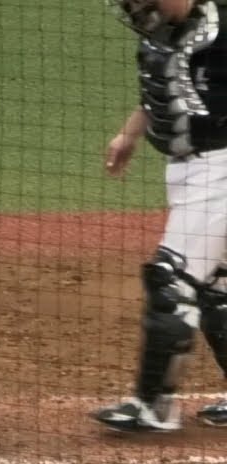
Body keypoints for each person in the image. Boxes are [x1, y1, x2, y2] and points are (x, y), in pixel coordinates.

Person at [94, 0, 227, 432]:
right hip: (186, 171)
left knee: (171, 282)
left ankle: (154, 406)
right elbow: (160, 89)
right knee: (215, 287)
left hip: (220, 170)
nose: (136, 7)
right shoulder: (161, 35)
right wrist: (127, 135)